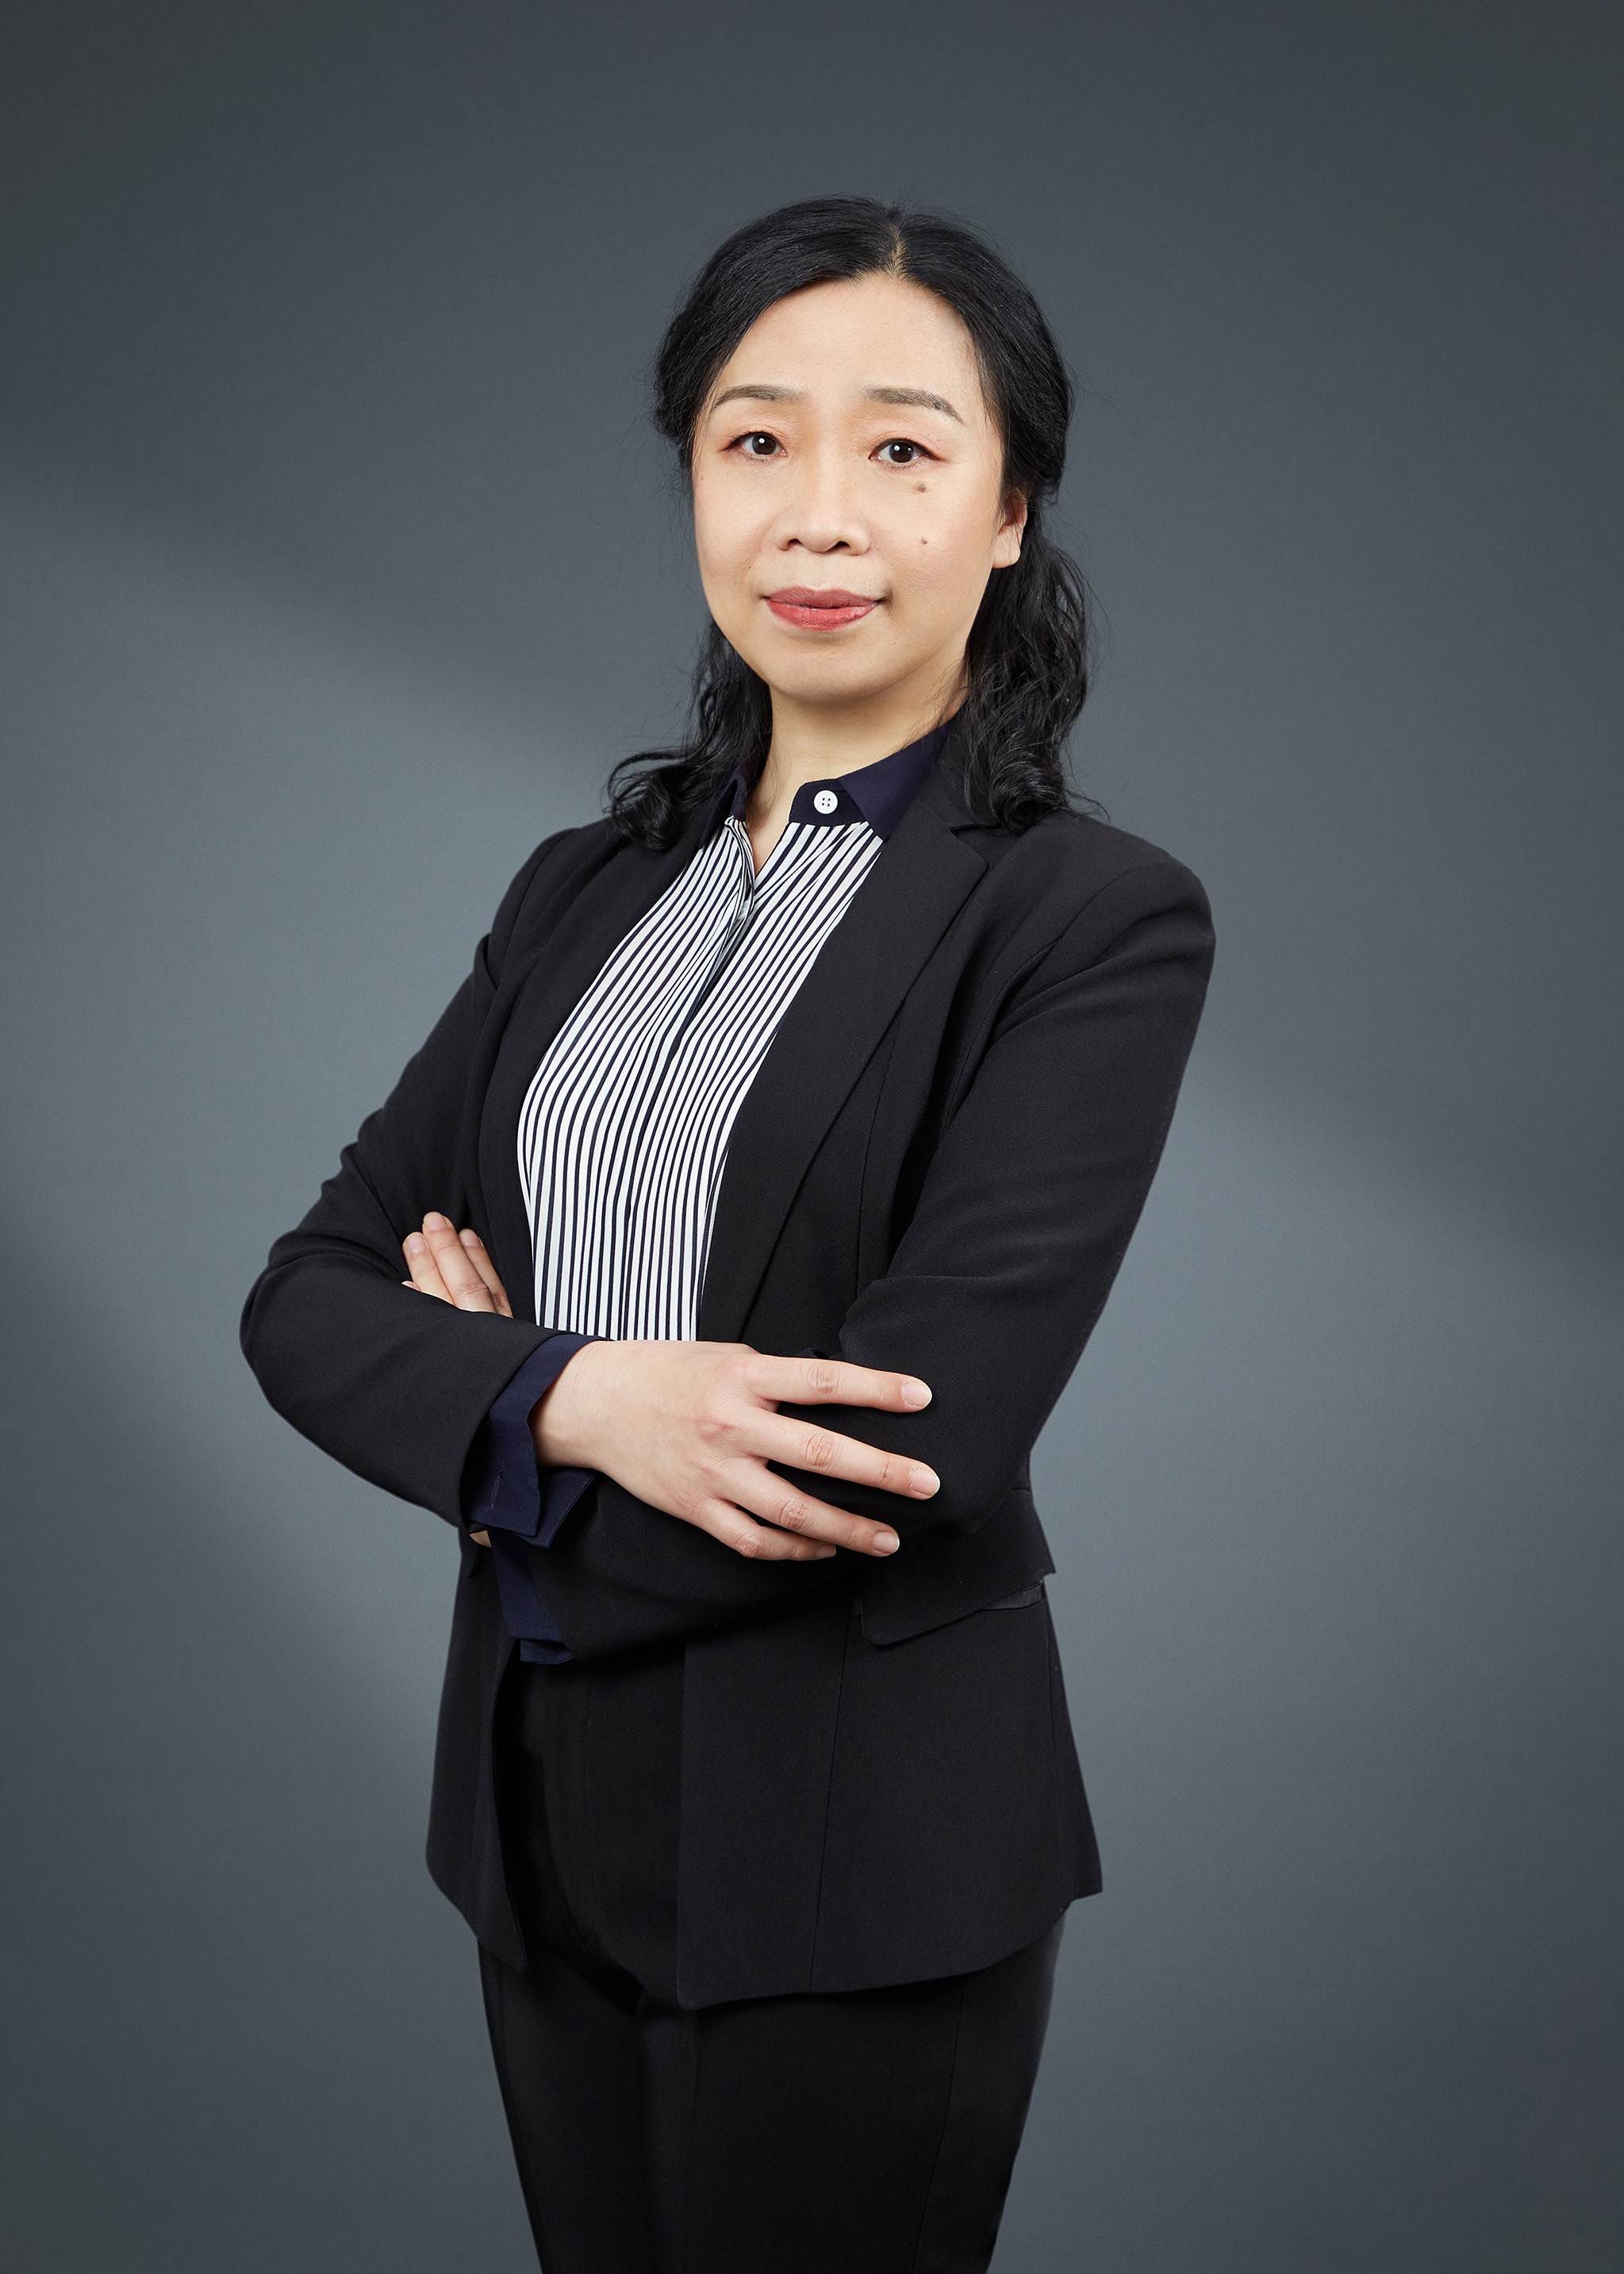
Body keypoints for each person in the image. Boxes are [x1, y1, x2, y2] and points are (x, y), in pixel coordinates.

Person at [241, 194, 1214, 2274]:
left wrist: (491, 1444)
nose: (818, 513)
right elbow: (307, 1299)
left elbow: (905, 1441)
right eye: (756, 439)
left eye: (903, 448)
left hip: (856, 1846)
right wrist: (581, 1397)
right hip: (536, 1826)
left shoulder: (1085, 919)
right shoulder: (584, 885)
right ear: (692, 475)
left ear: (1008, 509)